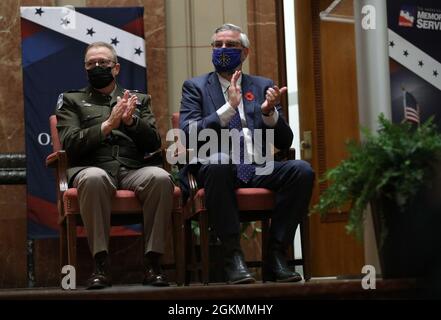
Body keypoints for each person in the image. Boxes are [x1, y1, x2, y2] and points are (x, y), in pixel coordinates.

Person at [179, 24, 314, 284]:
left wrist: (268, 113)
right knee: (218, 162)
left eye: (230, 45)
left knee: (301, 171)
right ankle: (233, 259)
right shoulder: (195, 87)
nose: (223, 50)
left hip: (258, 166)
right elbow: (187, 131)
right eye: (218, 45)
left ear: (245, 52)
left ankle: (276, 255)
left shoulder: (262, 85)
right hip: (219, 169)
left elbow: (285, 141)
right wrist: (228, 109)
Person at [56, 42, 174, 289]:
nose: (96, 67)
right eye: (91, 63)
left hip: (132, 169)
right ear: (85, 68)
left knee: (161, 178)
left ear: (116, 68)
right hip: (93, 166)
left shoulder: (138, 99)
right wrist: (107, 125)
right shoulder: (71, 100)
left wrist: (131, 122)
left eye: (103, 63)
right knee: (93, 178)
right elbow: (70, 143)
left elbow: (153, 142)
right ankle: (101, 264)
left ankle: (153, 263)